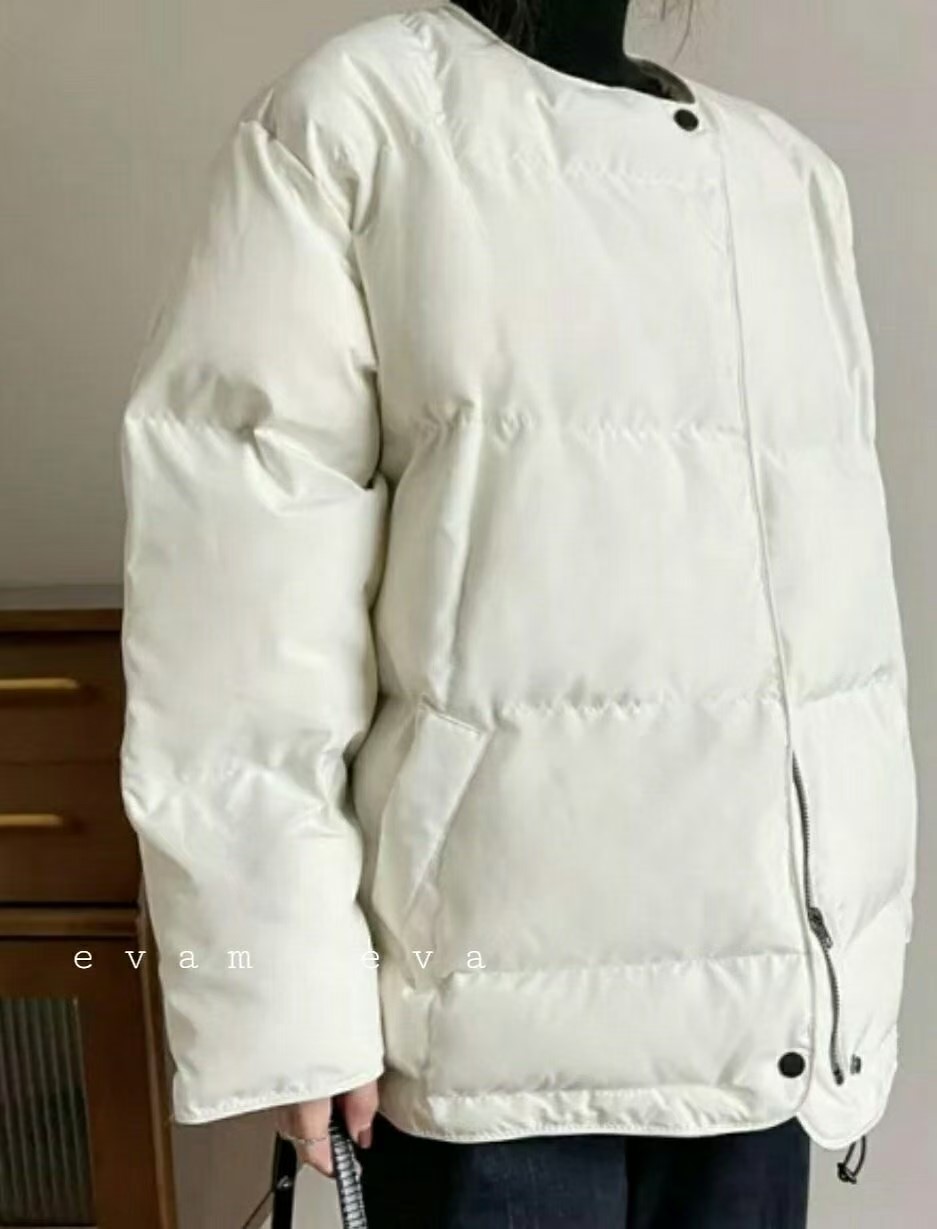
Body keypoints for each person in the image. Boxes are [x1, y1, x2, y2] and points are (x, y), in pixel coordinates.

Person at [118, 1, 918, 1225]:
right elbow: (236, 600)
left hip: (761, 1031)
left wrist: (850, 979)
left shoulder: (784, 178)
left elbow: (830, 626)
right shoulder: (358, 123)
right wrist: (287, 995)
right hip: (489, 1049)